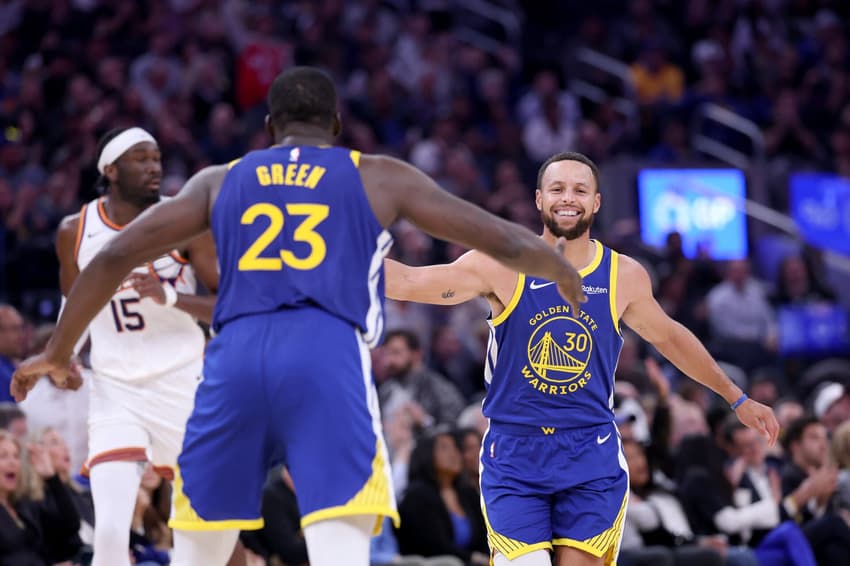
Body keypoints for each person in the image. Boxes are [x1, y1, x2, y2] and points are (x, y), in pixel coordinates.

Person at [10, 66, 586, 566]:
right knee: (336, 534)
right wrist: (559, 270)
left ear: (269, 127)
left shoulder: (219, 179)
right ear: (336, 125)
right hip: (324, 352)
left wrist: (56, 352)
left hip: (232, 358)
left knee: (202, 543)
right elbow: (495, 236)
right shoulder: (375, 174)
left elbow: (111, 256)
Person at [384, 151, 779, 566]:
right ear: (539, 199)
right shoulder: (502, 263)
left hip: (590, 451)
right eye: (557, 189)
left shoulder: (623, 275)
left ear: (596, 202)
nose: (567, 198)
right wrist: (334, 260)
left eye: (579, 190)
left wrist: (737, 398)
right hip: (516, 451)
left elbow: (670, 338)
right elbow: (414, 281)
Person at [43, 126, 219, 566]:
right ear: (111, 169)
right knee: (108, 532)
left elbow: (230, 305)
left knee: (203, 528)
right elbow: (73, 306)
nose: (154, 166)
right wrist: (64, 357)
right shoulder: (75, 230)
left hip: (184, 382)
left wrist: (171, 296)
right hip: (115, 388)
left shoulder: (188, 222)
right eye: (141, 157)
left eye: (157, 156)